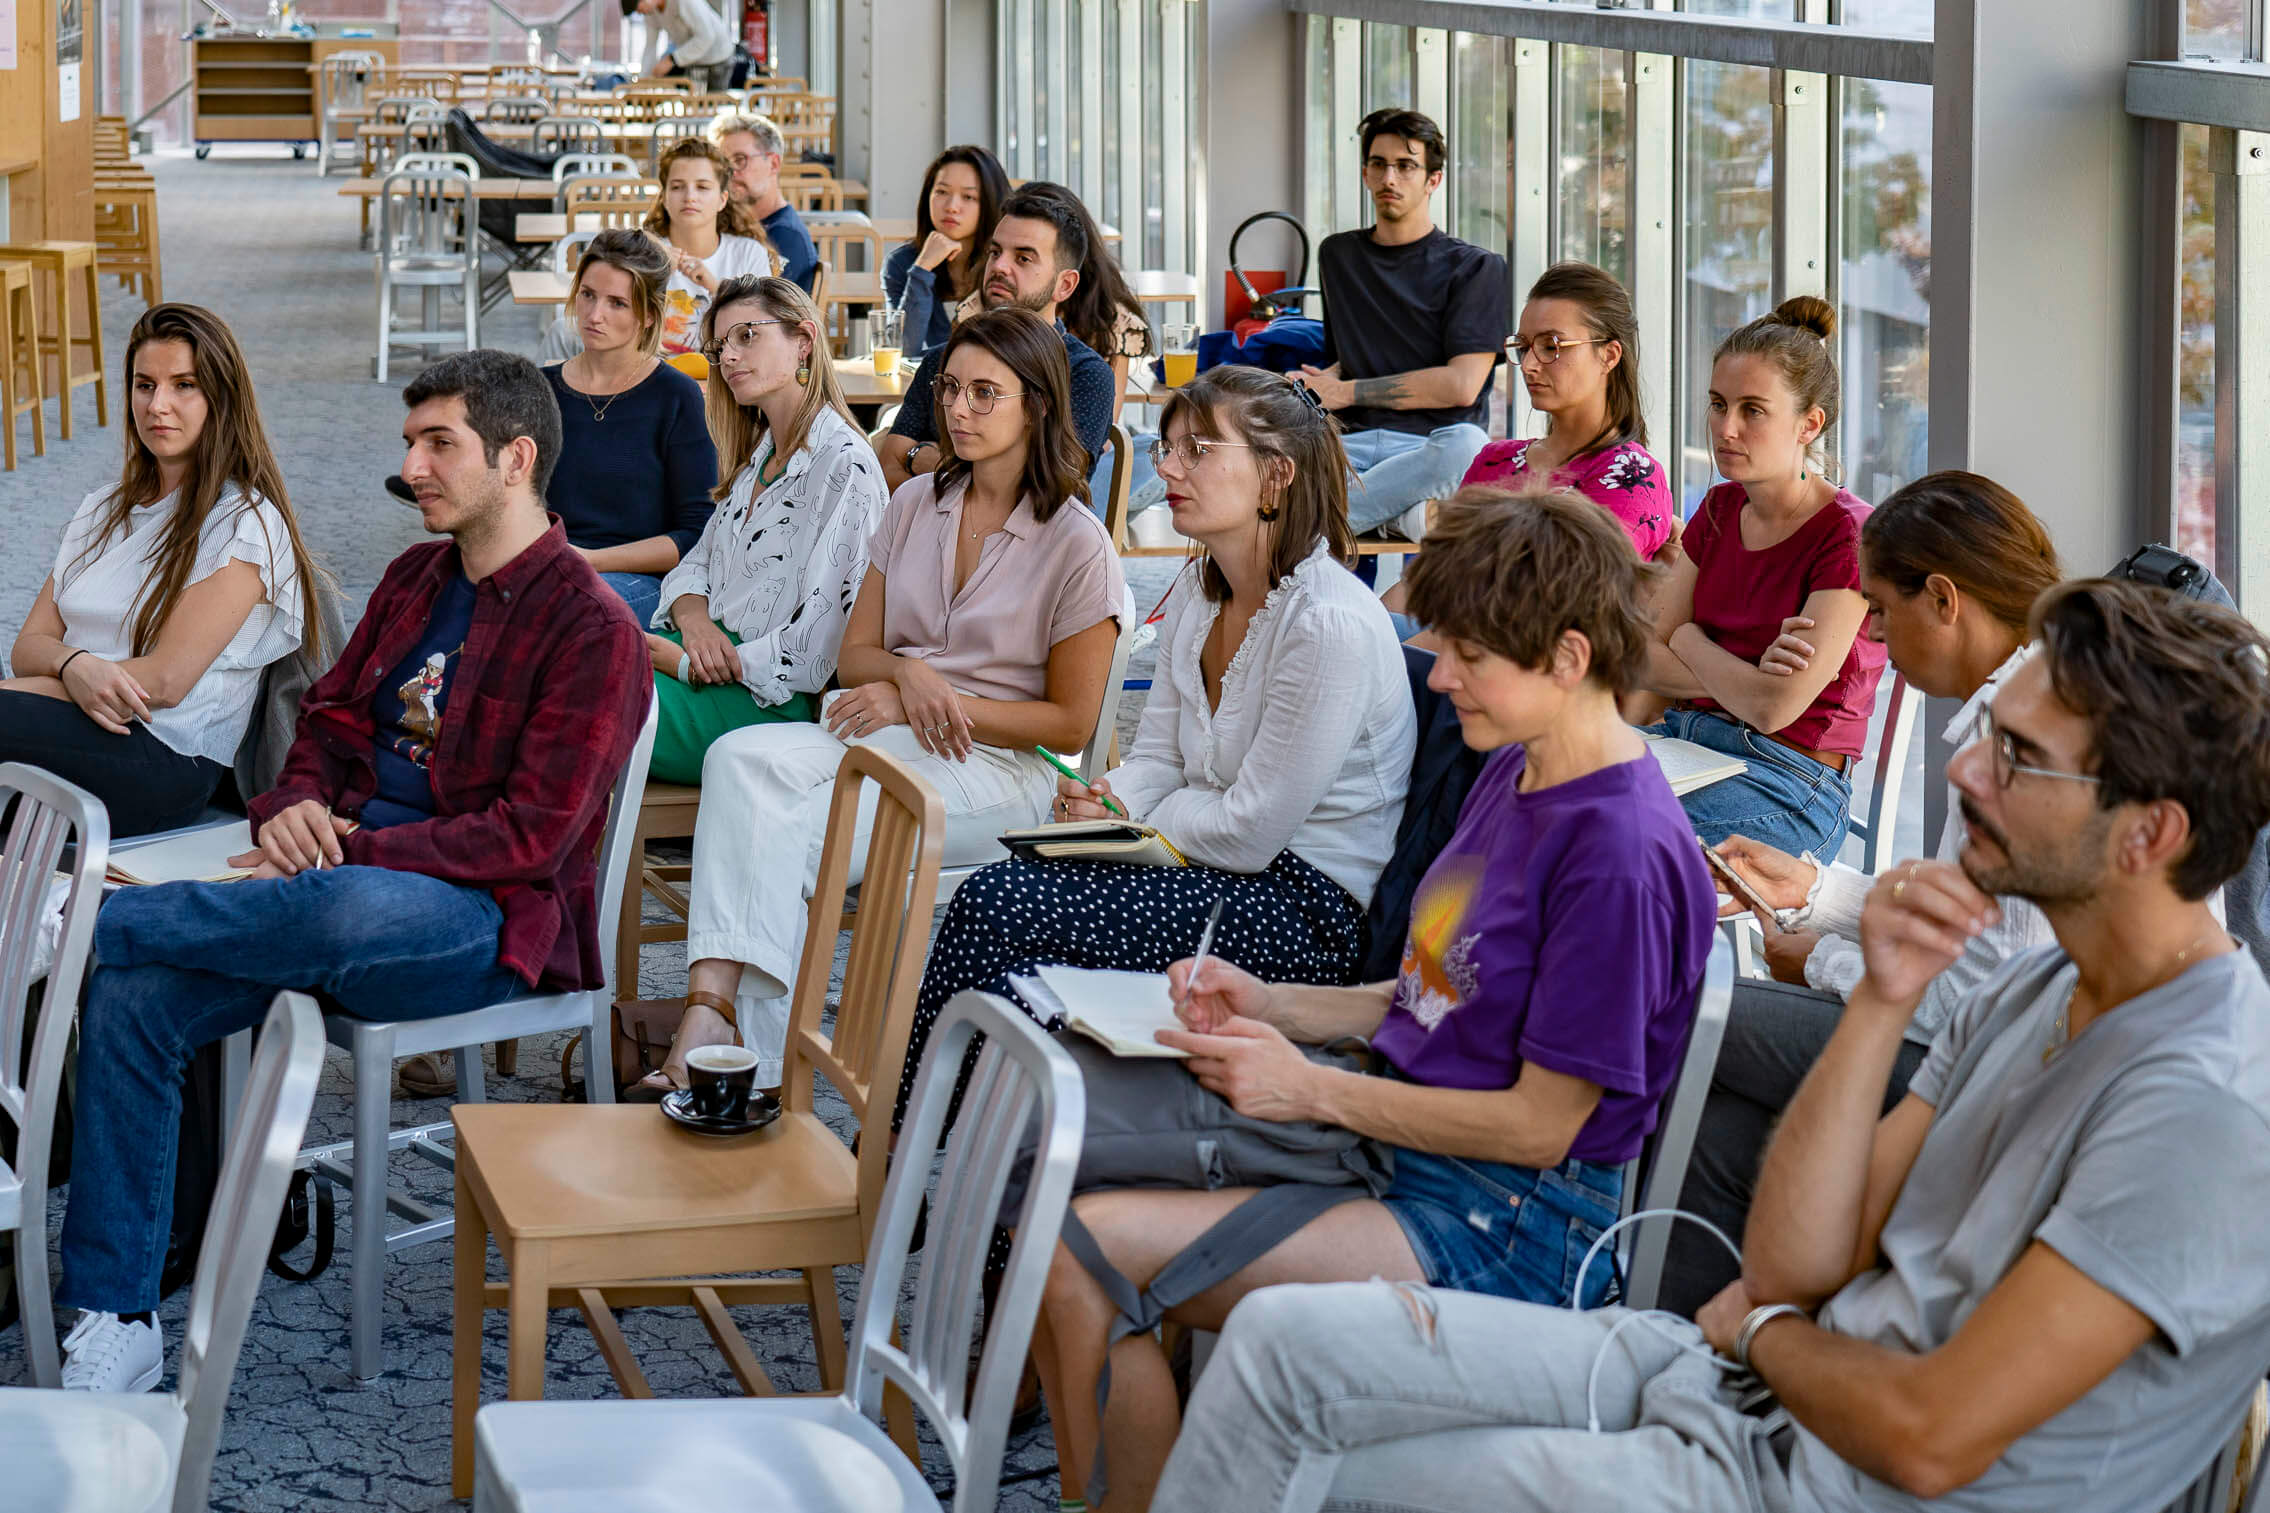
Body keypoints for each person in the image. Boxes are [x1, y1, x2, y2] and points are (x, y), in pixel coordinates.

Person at [1152, 577, 2270, 1513]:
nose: (1964, 772)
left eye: (2017, 757)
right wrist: (1878, 999)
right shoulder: (2036, 986)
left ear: (2148, 833)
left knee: (1340, 1480)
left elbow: (1928, 1436)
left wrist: (1768, 1332)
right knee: (1275, 1350)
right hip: (1745, 1397)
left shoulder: (2203, 1103)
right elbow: (1797, 1262)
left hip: (1823, 1475)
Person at [1030, 486, 1719, 1510]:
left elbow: (1541, 1126)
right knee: (1063, 1197)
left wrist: (1309, 1092)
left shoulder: (1616, 850)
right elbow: (1430, 996)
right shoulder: (1521, 766)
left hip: (1505, 1227)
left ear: (1569, 658)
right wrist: (1272, 1004)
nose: (1438, 679)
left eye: (1467, 657)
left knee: (1078, 1250)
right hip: (1412, 1154)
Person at [52, 349, 648, 1392]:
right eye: (409, 443)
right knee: (141, 996)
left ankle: (69, 927)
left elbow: (528, 842)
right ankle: (120, 1311)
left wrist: (344, 847)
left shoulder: (591, 628)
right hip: (327, 885)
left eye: (437, 444)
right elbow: (324, 716)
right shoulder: (418, 578)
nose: (411, 466)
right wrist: (289, 809)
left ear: (514, 458)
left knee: (345, 905)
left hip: (483, 923)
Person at [900, 366, 1414, 1124]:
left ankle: (940, 1155)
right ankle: (935, 1148)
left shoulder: (1326, 622)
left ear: (1276, 475)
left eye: (1198, 450)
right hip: (1207, 865)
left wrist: (1136, 822)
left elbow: (1249, 831)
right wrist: (1113, 798)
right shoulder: (1206, 591)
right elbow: (1160, 758)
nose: (1168, 468)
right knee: (999, 896)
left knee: (1007, 908)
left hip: (1304, 911)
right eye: (1170, 447)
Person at [654, 306, 1125, 1092]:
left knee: (794, 829)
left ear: (1038, 404)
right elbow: (857, 654)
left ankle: (741, 1052)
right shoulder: (915, 504)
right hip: (882, 727)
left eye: (985, 394)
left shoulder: (1077, 542)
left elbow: (1071, 722)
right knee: (736, 759)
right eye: (950, 391)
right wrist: (907, 679)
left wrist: (920, 698)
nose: (959, 411)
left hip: (1002, 770)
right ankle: (727, 1030)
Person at [1654, 470, 2063, 1316]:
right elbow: (1963, 918)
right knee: (1726, 1128)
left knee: (1685, 1019)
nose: (1869, 632)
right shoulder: (2024, 703)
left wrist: (1825, 960)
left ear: (1943, 599)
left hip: (1991, 1076)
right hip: (1984, 1044)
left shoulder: (2024, 737)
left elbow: (1973, 996)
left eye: (1880, 609)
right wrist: (1816, 887)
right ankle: (1700, 1328)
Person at [0, 303, 323, 838]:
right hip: (71, 716)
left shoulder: (245, 522)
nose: (159, 405)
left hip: (163, 753)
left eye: (184, 385)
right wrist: (75, 664)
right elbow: (28, 645)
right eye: (144, 385)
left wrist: (33, 685)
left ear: (220, 397)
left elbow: (166, 683)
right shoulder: (102, 509)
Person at [1169, 108, 1505, 541]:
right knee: (1236, 444)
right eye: (1379, 165)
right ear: (1365, 173)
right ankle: (1398, 517)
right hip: (1350, 443)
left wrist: (1343, 391)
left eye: (1406, 167)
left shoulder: (1477, 268)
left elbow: (1462, 385)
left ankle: (1308, 524)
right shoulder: (1339, 256)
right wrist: (1317, 384)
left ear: (1432, 180)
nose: (1390, 178)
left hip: (1430, 447)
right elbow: (1353, 354)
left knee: (1469, 448)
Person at [1636, 296, 1886, 859]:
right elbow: (1642, 658)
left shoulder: (1848, 534)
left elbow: (1776, 711)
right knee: (1526, 778)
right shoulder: (1721, 508)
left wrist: (1688, 638)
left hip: (1793, 783)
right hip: (1688, 745)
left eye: (1753, 410)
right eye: (1718, 404)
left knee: (1606, 829)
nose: (1726, 429)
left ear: (1809, 424)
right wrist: (1748, 678)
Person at [638, 276, 887, 790]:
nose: (727, 356)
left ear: (804, 341)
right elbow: (695, 565)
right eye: (720, 344)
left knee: (585, 701)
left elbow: (820, 642)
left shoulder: (845, 466)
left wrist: (688, 664)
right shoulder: (761, 458)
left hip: (766, 700)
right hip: (701, 659)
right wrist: (695, 622)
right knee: (566, 661)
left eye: (747, 335)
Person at [878, 183, 1115, 497]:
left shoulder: (1085, 374)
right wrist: (988, 469)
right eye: (995, 252)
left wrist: (922, 458)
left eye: (1023, 259)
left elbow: (1048, 489)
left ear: (1065, 286)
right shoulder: (944, 359)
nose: (999, 267)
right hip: (932, 541)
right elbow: (887, 472)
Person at [542, 228, 718, 629]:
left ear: (649, 314)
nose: (594, 314)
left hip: (637, 581)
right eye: (587, 294)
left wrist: (591, 560)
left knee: (567, 614)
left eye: (617, 303)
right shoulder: (542, 388)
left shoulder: (676, 397)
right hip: (546, 570)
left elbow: (697, 533)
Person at [1464, 262, 1674, 558]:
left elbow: (1572, 591)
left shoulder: (1630, 475)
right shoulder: (1492, 461)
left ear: (1609, 355)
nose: (1528, 365)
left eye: (1551, 346)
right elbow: (1432, 576)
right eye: (1523, 347)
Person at [882, 145, 1009, 360]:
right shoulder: (902, 263)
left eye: (968, 197)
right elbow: (902, 348)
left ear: (990, 202)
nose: (952, 206)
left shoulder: (1004, 265)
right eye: (941, 192)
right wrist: (922, 270)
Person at [709, 111, 817, 294]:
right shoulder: (740, 226)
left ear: (774, 164)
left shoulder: (784, 237)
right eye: (722, 163)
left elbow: (753, 309)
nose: (729, 173)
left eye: (740, 160)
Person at [625, 0, 735, 94]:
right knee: (695, 106)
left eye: (638, 6)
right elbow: (650, 46)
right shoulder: (650, 12)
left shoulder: (684, 2)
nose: (638, 13)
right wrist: (642, 81)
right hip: (694, 59)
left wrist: (672, 59)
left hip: (719, 55)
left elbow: (706, 36)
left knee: (714, 106)